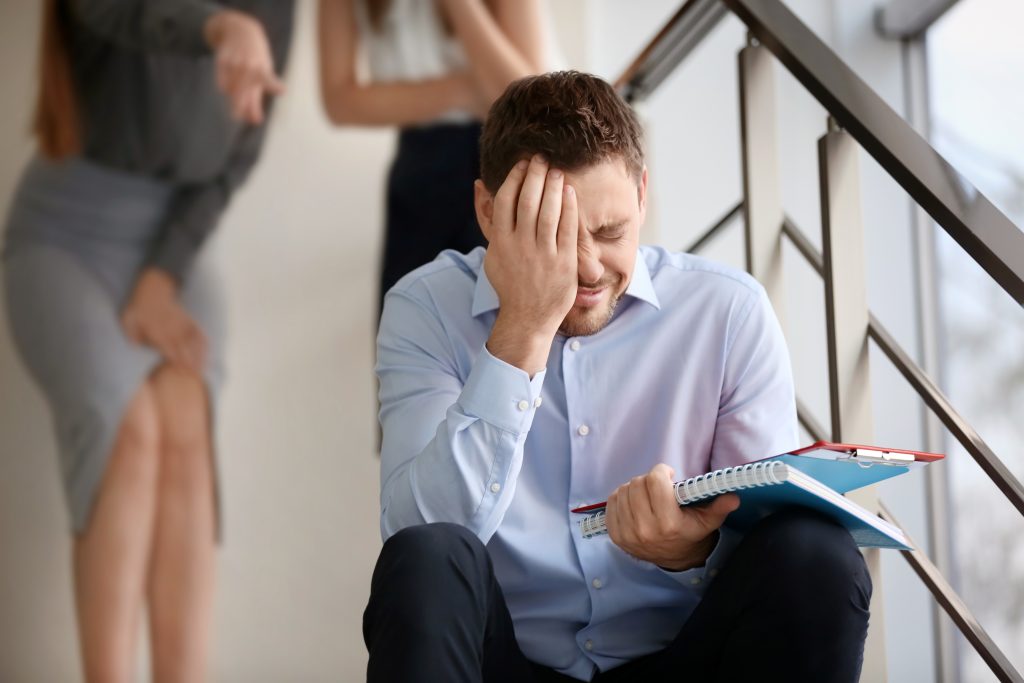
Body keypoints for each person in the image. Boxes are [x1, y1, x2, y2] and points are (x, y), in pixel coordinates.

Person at [364, 71, 872, 682]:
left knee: (817, 553)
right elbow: (419, 534)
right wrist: (524, 326)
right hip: (510, 662)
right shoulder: (426, 309)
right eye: (549, 239)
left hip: (684, 656)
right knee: (425, 558)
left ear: (641, 195)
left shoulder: (728, 312)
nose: (583, 270)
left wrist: (692, 552)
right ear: (486, 212)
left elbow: (770, 542)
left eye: (609, 234)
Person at [2, 2, 293, 680]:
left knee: (187, 415)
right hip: (65, 230)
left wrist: (162, 276)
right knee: (126, 424)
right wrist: (220, 27)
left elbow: (241, 151)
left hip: (174, 241)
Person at [317, 0, 547, 315]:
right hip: (420, 176)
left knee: (511, 322)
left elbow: (525, 96)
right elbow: (341, 102)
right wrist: (465, 91)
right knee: (412, 322)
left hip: (509, 162)